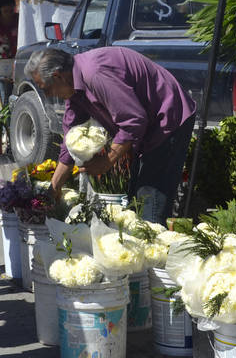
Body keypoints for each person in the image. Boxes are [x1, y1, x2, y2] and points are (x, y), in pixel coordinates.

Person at [27, 46, 197, 224]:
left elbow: (134, 120)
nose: (48, 95)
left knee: (150, 203)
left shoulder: (95, 74)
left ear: (57, 76)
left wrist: (107, 161)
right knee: (137, 202)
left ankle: (152, 235)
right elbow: (70, 139)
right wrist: (54, 187)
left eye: (46, 89)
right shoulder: (74, 86)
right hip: (149, 127)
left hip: (167, 119)